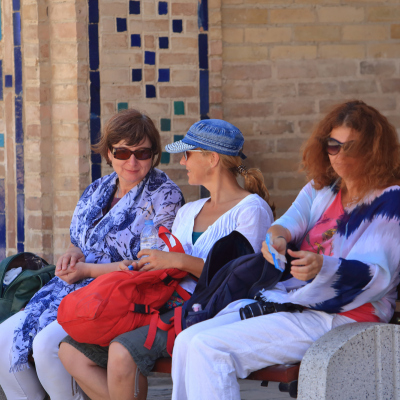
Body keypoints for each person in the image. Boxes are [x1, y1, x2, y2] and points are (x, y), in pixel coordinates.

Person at [170, 100, 400, 400]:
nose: (339, 155)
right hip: (295, 303)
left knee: (209, 348)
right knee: (187, 340)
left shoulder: (390, 201)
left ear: (373, 149)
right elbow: (285, 224)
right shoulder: (322, 189)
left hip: (345, 314)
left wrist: (323, 267)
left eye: (350, 147)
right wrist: (276, 239)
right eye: (333, 146)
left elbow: (378, 275)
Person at [58, 119, 276, 400]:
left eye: (187, 154)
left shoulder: (251, 210)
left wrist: (177, 261)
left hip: (205, 312)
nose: (182, 162)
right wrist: (142, 264)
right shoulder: (190, 211)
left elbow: (240, 278)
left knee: (122, 352)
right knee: (70, 349)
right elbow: (164, 263)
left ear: (212, 159)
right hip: (160, 302)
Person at [0, 109, 184, 400]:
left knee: (47, 346)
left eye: (142, 153)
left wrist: (87, 271)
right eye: (122, 152)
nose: (132, 162)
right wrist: (72, 255)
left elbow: (152, 263)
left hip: (117, 294)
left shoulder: (165, 196)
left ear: (155, 154)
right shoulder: (97, 189)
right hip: (70, 287)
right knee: (3, 340)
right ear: (109, 153)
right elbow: (78, 240)